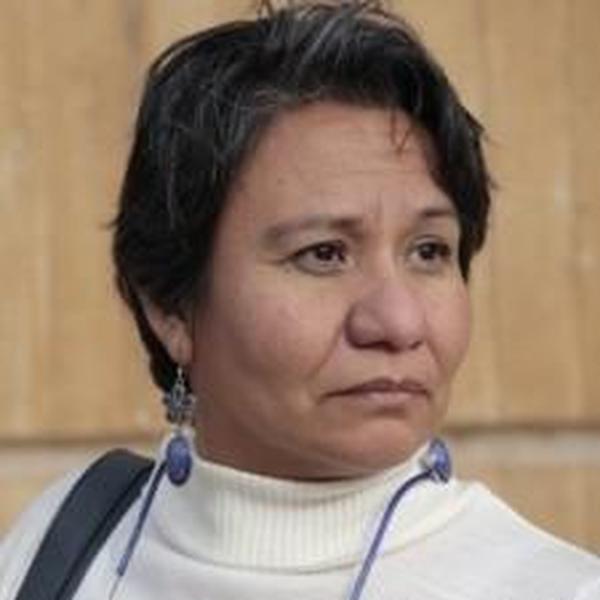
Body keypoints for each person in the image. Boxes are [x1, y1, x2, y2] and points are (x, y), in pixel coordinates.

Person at [1, 1, 599, 599]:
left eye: (429, 251)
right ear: (170, 306)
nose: (398, 321)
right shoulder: (66, 546)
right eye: (324, 254)